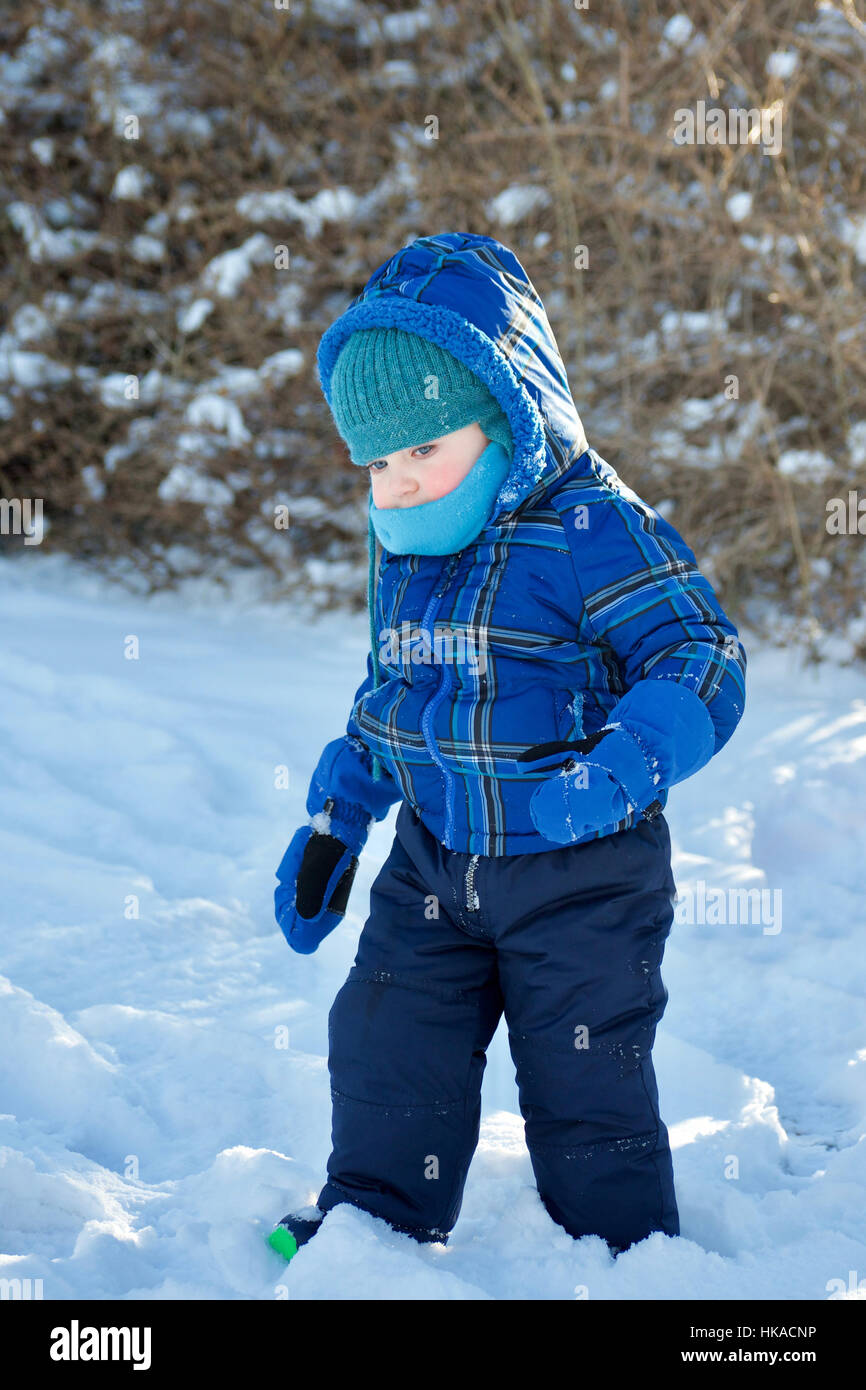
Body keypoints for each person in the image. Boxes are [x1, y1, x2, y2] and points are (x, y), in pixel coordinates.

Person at [267, 231, 747, 1265]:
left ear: (503, 417)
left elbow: (700, 653)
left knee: (583, 1076)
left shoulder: (590, 527)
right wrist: (336, 819)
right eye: (376, 461)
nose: (394, 485)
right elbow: (396, 695)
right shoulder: (407, 550)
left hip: (582, 871)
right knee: (386, 1039)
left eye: (420, 451)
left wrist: (621, 764)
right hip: (436, 860)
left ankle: (622, 1253)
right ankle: (372, 1228)